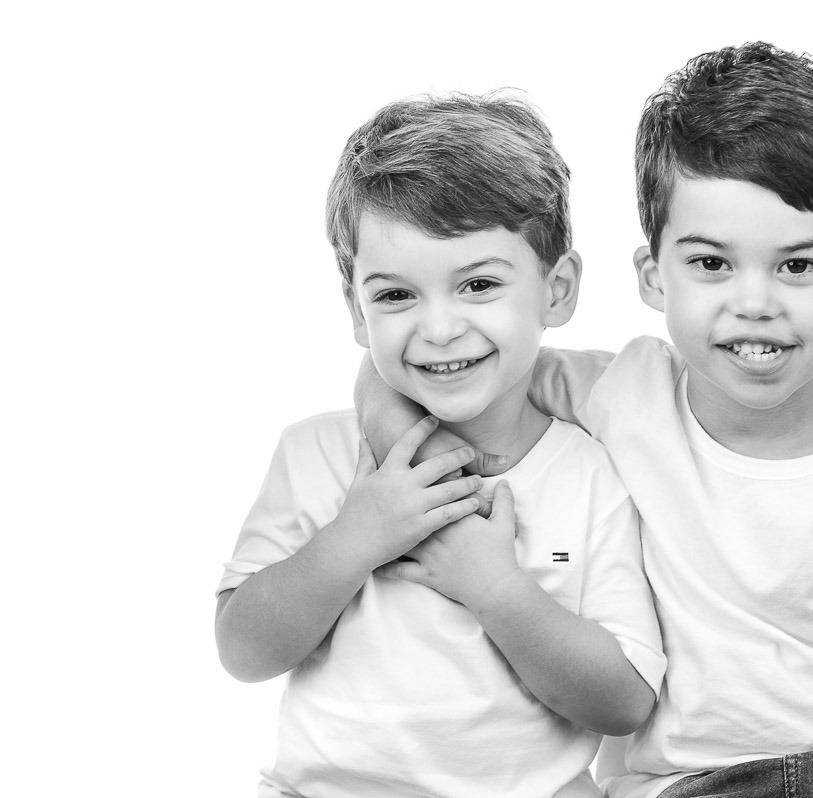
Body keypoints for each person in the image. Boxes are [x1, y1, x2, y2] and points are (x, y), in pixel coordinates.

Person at [357, 43, 813, 798]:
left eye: (797, 265)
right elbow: (406, 371)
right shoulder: (624, 392)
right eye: (711, 264)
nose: (754, 301)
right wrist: (421, 477)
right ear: (652, 276)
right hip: (681, 787)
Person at [215, 92, 665, 798]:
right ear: (355, 310)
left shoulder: (593, 474)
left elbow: (624, 702)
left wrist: (497, 590)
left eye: (479, 284)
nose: (440, 327)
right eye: (396, 296)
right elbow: (242, 651)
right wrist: (353, 539)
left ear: (557, 290)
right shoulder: (316, 454)